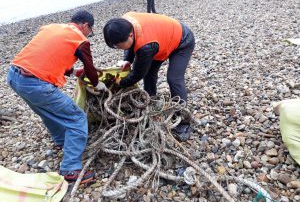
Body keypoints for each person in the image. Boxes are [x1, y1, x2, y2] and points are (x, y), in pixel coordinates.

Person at [6, 10, 107, 184]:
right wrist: (98, 84)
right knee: (77, 118)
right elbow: (90, 69)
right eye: (90, 30)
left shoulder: (51, 28)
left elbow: (47, 54)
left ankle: (61, 141)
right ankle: (70, 170)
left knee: (46, 111)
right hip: (35, 84)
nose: (89, 34)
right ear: (85, 25)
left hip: (14, 76)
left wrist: (73, 71)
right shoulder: (80, 39)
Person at [103, 12, 195, 141]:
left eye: (118, 45)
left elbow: (137, 75)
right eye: (114, 46)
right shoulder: (123, 23)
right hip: (160, 40)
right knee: (150, 74)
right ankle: (150, 102)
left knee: (174, 78)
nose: (117, 48)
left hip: (182, 41)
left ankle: (184, 122)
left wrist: (119, 82)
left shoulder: (146, 46)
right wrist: (127, 60)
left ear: (130, 34)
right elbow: (130, 46)